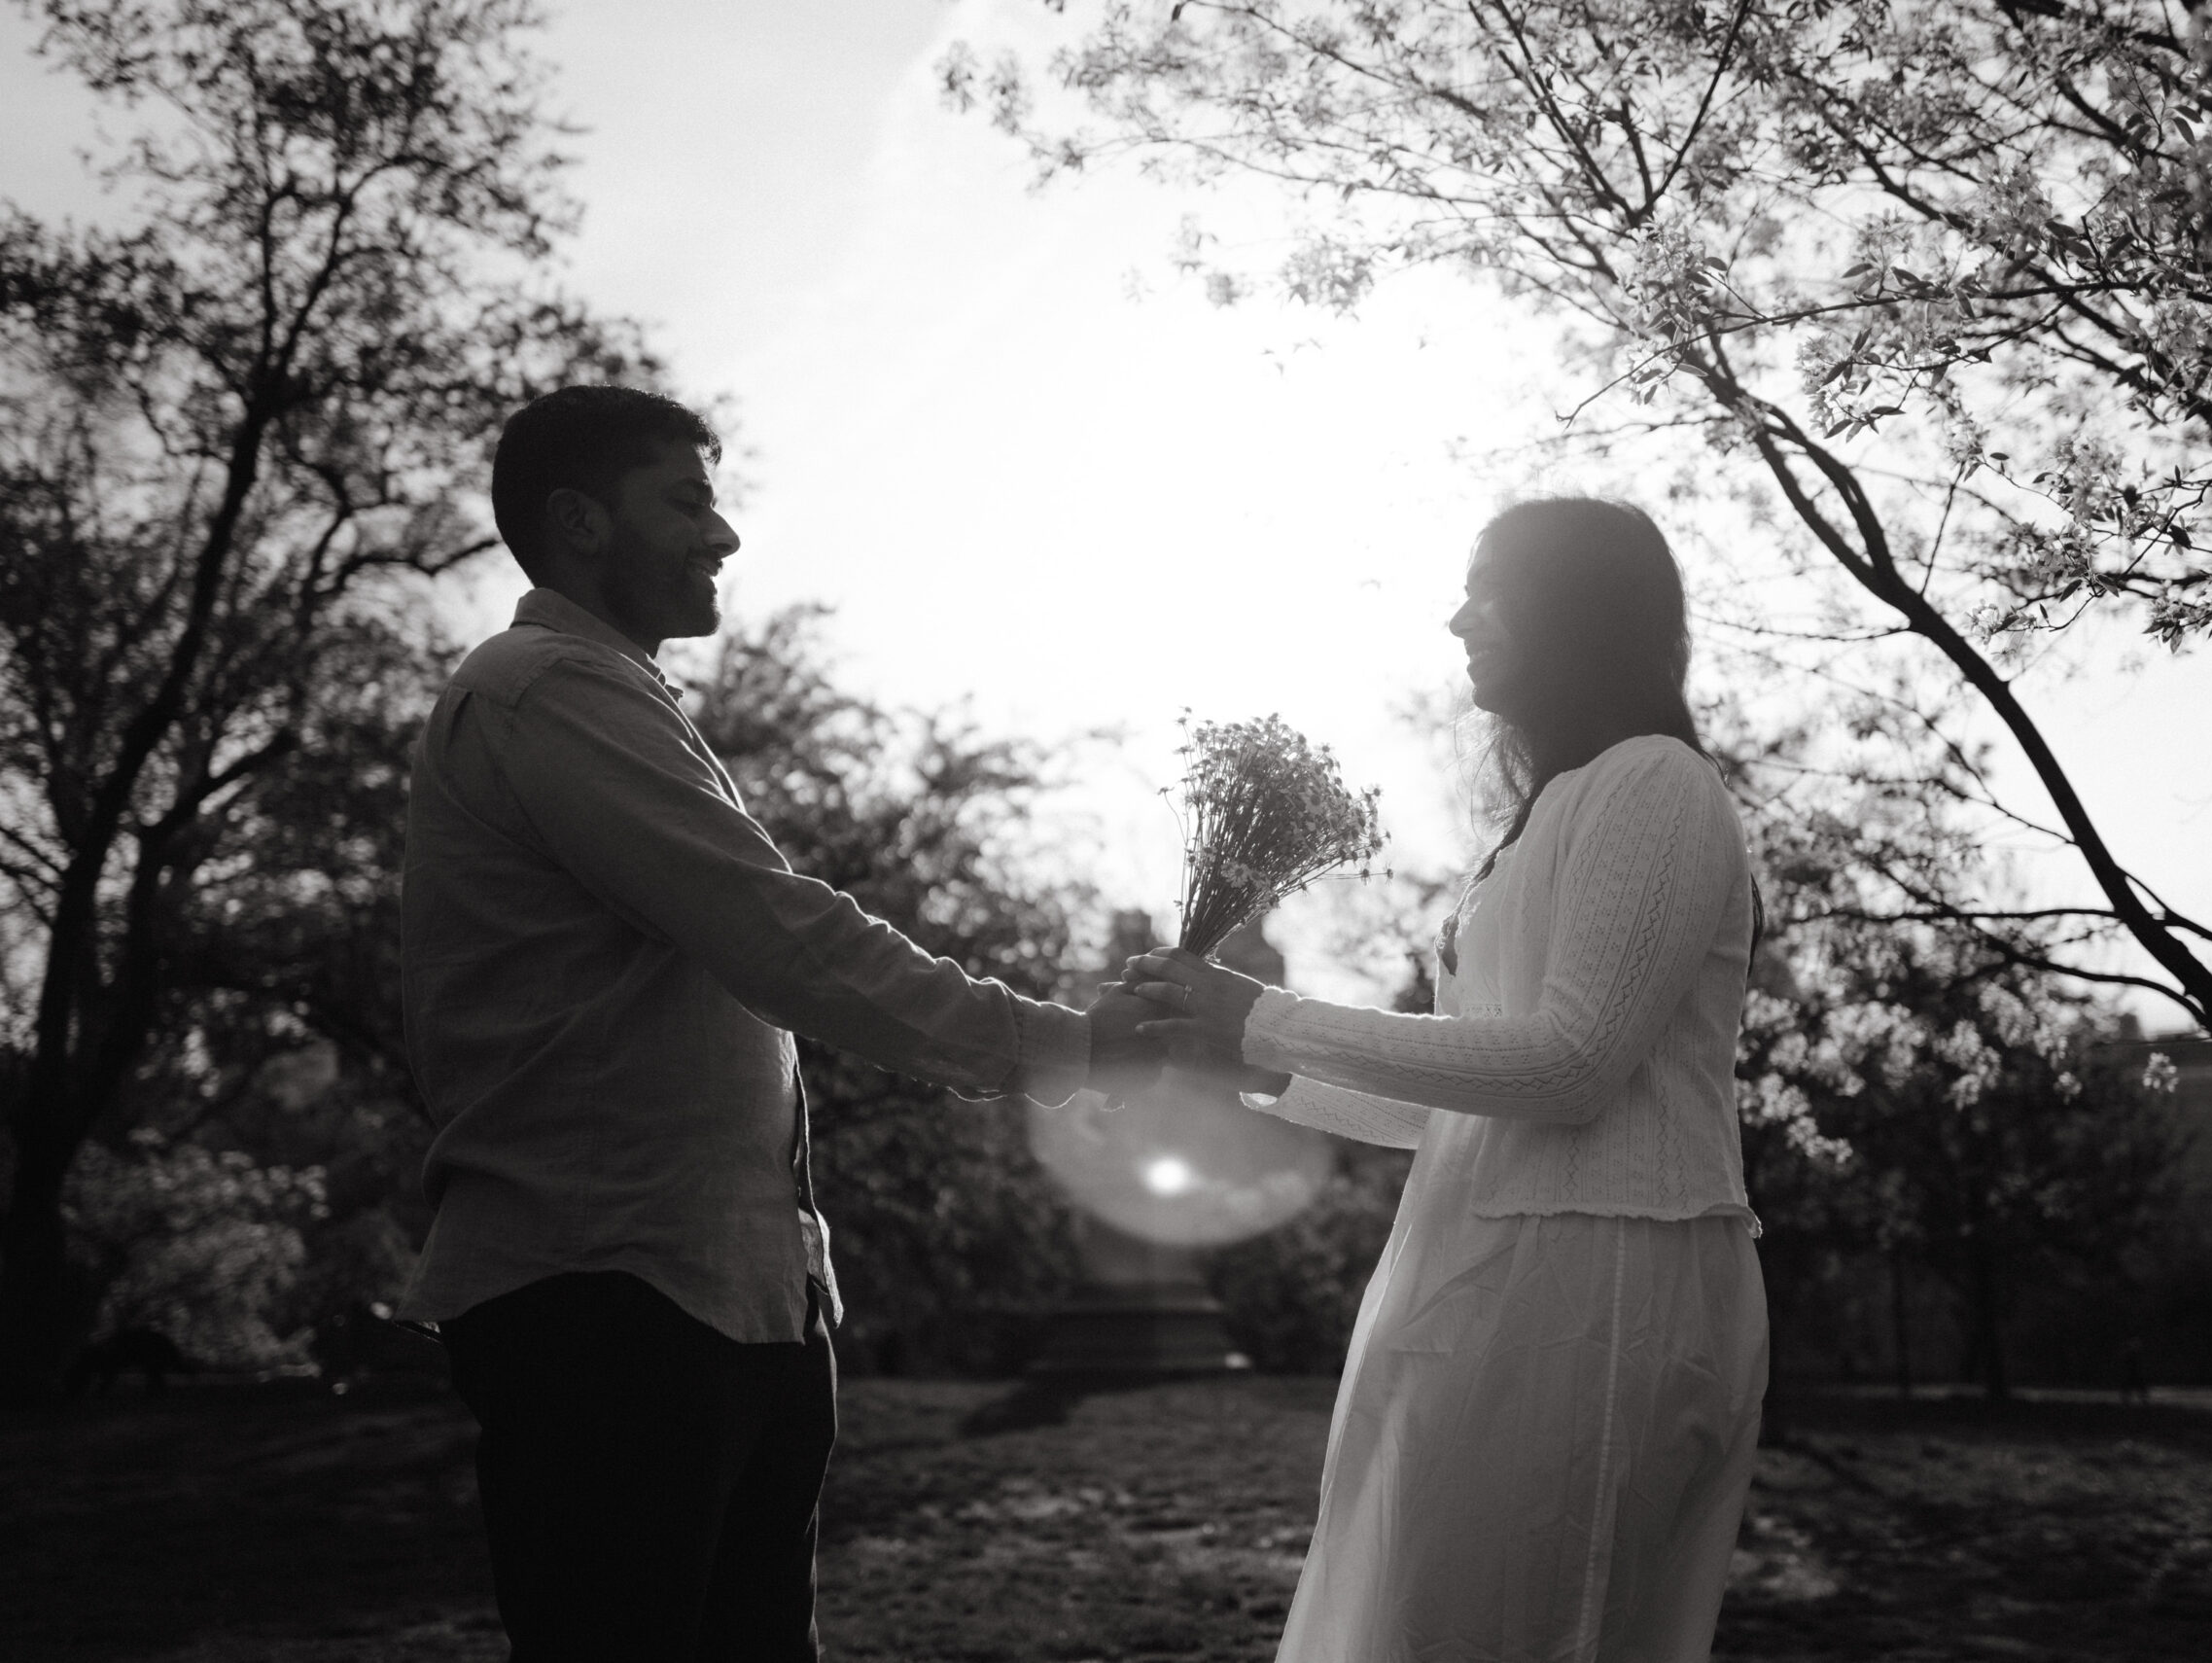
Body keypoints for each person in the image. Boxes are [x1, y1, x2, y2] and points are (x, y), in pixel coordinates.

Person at [396, 384, 1160, 1662]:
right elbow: (780, 936)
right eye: (687, 499)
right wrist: (1064, 1047)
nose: (727, 533)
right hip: (606, 1305)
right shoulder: (543, 690)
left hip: (730, 1297)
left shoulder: (614, 696)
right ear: (580, 523)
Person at [1127, 498, 1766, 1663]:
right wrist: (1242, 1067)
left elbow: (1571, 1066)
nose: (1457, 615)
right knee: (1427, 1624)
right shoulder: (1545, 817)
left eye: (1489, 586)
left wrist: (1266, 1015)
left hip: (1606, 1282)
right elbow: (1465, 1107)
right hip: (1492, 1274)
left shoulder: (1655, 784)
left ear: (1577, 607)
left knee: (1539, 1631)